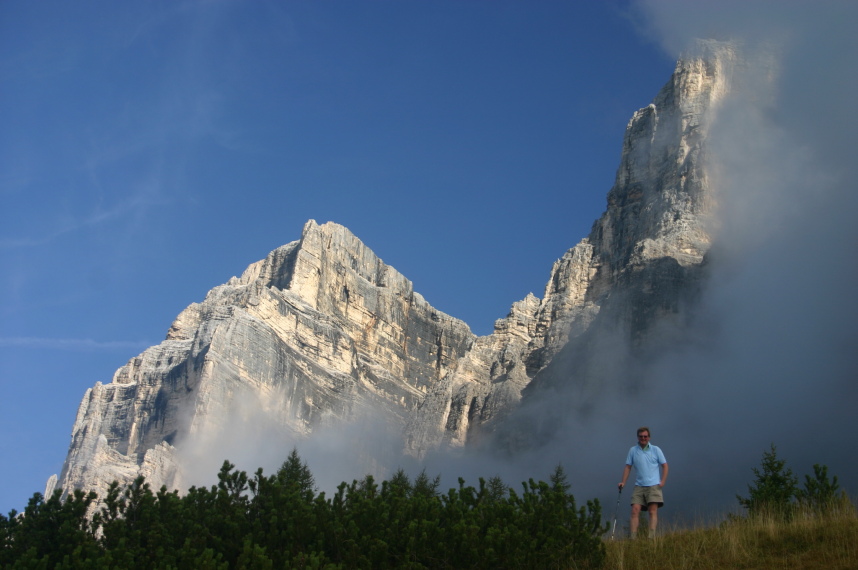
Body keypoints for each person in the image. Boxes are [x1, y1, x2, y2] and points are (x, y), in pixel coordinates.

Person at [618, 426, 668, 539]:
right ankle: (633, 537)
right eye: (641, 436)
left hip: (654, 485)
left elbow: (665, 465)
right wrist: (623, 482)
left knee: (652, 510)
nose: (643, 438)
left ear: (649, 437)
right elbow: (628, 467)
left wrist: (663, 481)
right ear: (638, 437)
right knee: (635, 510)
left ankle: (651, 536)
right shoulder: (633, 450)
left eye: (645, 436)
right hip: (639, 485)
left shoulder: (656, 450)